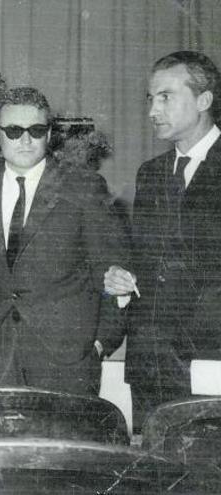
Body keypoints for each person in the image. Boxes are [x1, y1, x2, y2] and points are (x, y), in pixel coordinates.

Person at [0, 87, 127, 396]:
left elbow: (114, 272)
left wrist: (99, 344)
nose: (25, 140)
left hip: (67, 359)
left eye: (36, 130)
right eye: (13, 131)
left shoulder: (84, 186)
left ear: (50, 133)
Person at [105, 51, 221, 427]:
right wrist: (122, 279)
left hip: (210, 361)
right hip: (150, 364)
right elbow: (146, 257)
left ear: (204, 100)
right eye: (150, 98)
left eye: (166, 97)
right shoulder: (150, 173)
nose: (153, 110)